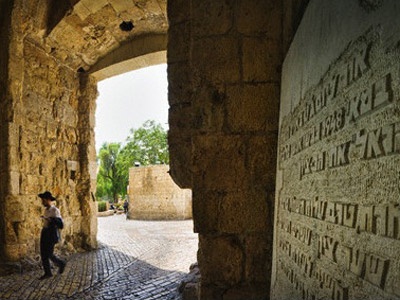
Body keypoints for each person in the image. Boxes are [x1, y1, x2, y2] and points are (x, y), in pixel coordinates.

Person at [38, 191, 66, 280]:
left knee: (49, 254)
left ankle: (61, 263)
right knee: (43, 254)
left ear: (47, 200)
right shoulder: (46, 210)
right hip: (45, 232)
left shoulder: (55, 210)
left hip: (51, 233)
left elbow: (60, 224)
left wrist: (51, 220)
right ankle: (48, 273)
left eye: (43, 200)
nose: (42, 202)